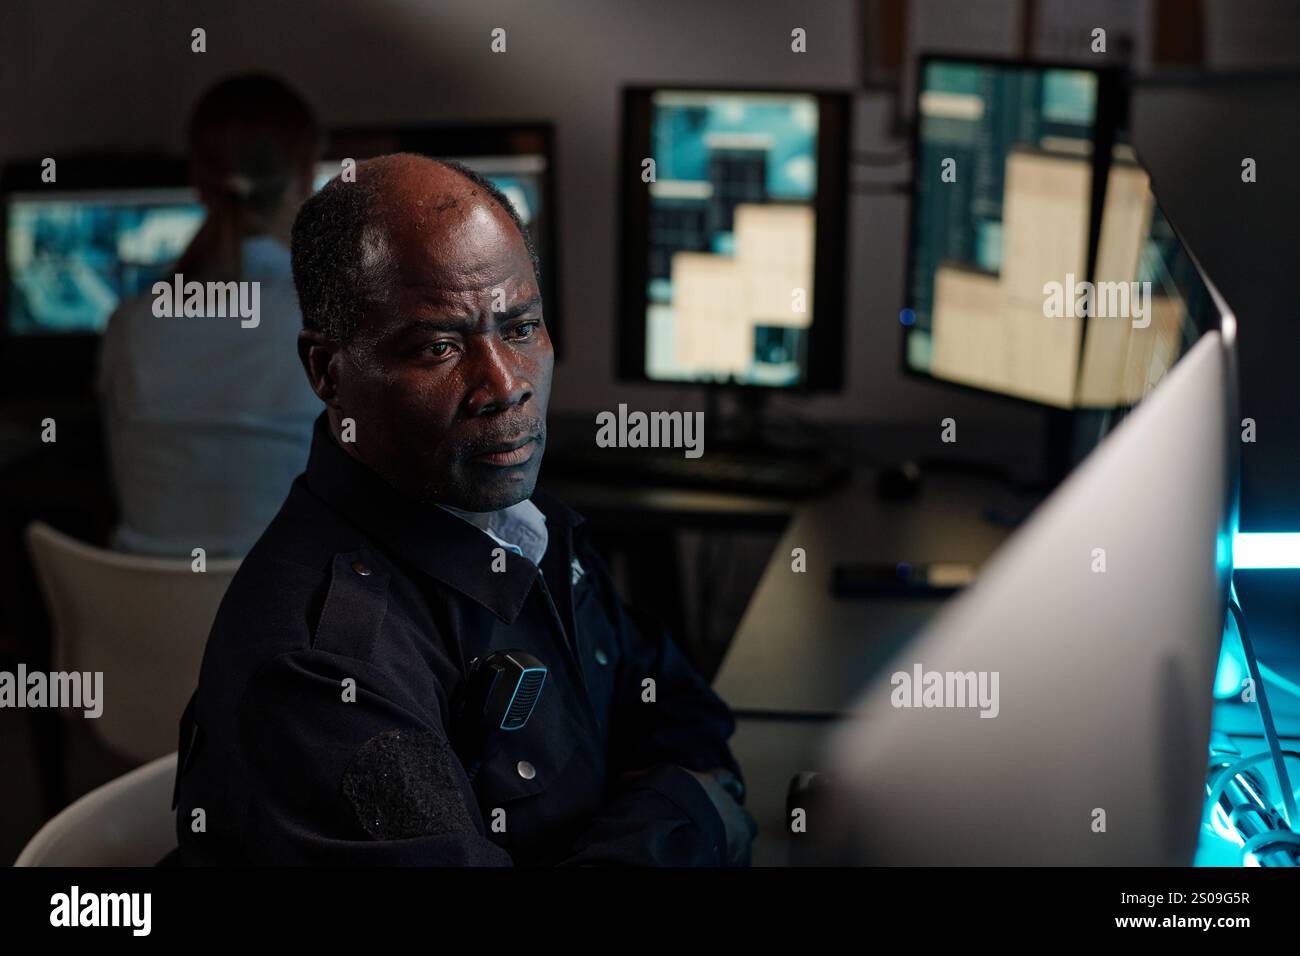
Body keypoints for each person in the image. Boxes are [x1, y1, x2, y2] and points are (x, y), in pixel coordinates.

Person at [172, 153, 756, 866]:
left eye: (520, 327)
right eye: (440, 346)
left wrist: (678, 799)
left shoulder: (520, 521)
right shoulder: (326, 674)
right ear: (328, 372)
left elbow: (674, 704)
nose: (504, 385)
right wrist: (688, 817)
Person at [97, 74, 323, 557]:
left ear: (198, 182)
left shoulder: (129, 326)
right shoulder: (329, 321)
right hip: (291, 620)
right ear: (305, 177)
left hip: (143, 620)